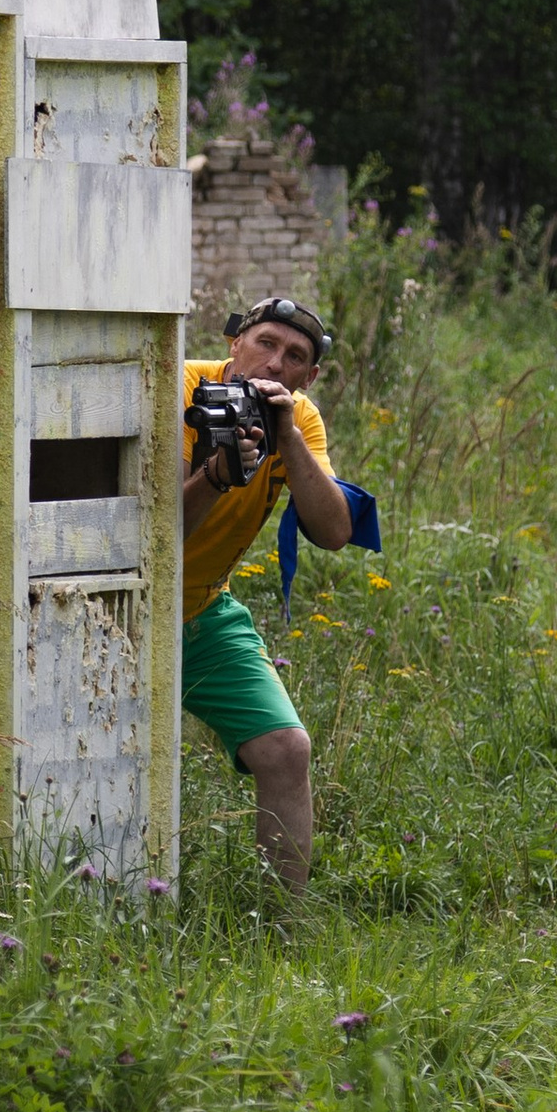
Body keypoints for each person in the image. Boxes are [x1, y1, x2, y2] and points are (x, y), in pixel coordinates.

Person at [181, 295, 353, 889]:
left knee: (286, 750)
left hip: (201, 608)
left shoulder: (298, 418)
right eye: (266, 343)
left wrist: (289, 439)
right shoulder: (179, 387)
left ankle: (281, 925)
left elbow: (334, 532)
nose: (276, 363)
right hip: (123, 603)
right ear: (236, 344)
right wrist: (214, 475)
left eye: (295, 356)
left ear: (310, 376)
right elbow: (152, 535)